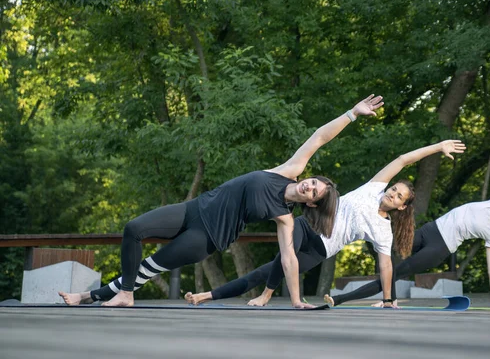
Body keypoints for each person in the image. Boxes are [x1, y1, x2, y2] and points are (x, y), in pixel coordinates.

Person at [58, 95, 384, 308]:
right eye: (313, 184)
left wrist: (296, 300)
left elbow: (288, 260)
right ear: (308, 178)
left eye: (314, 194)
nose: (309, 189)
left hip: (208, 237)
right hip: (194, 209)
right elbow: (319, 137)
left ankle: (95, 296)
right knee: (133, 229)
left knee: (146, 268)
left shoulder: (284, 217)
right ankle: (118, 293)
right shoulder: (289, 171)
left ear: (311, 204)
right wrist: (351, 114)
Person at [184, 140, 466, 307]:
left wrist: (389, 298)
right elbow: (404, 159)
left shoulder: (383, 230)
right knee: (284, 258)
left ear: (402, 206)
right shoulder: (373, 187)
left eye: (398, 196)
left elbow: (386, 266)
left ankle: (206, 296)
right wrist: (438, 147)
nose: (392, 194)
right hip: (308, 226)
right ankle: (265, 296)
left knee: (265, 271)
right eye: (394, 189)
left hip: (321, 250)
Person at [326, 172, 490, 309]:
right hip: (428, 230)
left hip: (439, 247)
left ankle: (345, 299)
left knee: (394, 273)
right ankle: (335, 240)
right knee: (383, 246)